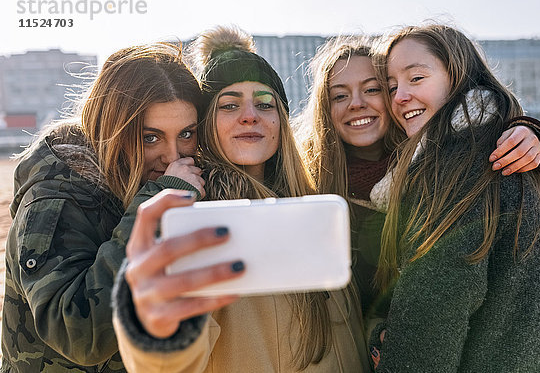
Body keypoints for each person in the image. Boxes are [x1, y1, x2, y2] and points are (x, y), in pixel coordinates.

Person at [111, 26, 370, 373]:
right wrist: (158, 335)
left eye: (265, 104)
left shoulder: (318, 204)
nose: (250, 115)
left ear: (281, 121)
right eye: (230, 105)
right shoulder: (198, 224)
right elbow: (169, 360)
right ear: (205, 124)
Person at [294, 36, 540, 325]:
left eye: (373, 89)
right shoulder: (309, 179)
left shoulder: (432, 161)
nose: (356, 103)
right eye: (339, 95)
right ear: (323, 108)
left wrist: (538, 137)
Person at [369, 24, 540, 371]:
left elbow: (434, 317)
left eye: (416, 78)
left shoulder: (456, 172)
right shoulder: (501, 148)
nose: (399, 97)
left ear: (459, 76)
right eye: (392, 87)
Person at [1, 43, 206, 372]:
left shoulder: (148, 180)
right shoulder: (55, 198)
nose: (174, 155)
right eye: (149, 137)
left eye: (186, 134)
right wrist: (154, 208)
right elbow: (77, 333)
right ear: (112, 130)